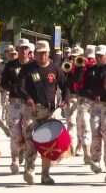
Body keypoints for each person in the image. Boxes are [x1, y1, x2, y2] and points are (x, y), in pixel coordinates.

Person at [18, 40, 70, 185]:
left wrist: (66, 99)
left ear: (49, 53)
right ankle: (29, 170)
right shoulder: (28, 69)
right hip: (32, 111)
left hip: (49, 111)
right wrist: (27, 97)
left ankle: (45, 175)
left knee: (48, 143)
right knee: (30, 142)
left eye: (45, 53)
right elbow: (19, 87)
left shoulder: (55, 68)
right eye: (40, 53)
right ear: (35, 54)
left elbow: (65, 86)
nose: (43, 56)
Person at [0, 39, 32, 174]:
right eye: (21, 48)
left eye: (26, 48)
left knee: (28, 131)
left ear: (29, 50)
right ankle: (14, 159)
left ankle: (25, 154)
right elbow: (3, 83)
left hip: (30, 103)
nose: (23, 51)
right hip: (15, 102)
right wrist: (13, 87)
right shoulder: (10, 66)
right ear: (17, 50)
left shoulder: (33, 65)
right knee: (15, 131)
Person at [87, 45, 106, 174]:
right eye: (97, 55)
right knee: (95, 132)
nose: (98, 58)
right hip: (94, 106)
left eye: (101, 55)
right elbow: (85, 87)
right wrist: (94, 95)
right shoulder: (91, 70)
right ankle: (95, 160)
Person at [92, 55, 106, 182]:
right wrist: (97, 93)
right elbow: (94, 86)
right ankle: (95, 160)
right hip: (99, 105)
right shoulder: (99, 70)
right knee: (95, 131)